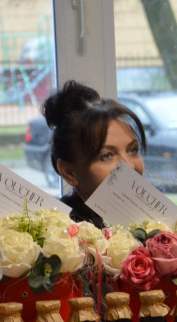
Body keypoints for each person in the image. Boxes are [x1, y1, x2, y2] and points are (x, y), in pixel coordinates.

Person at [42, 80, 147, 227]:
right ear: (69, 172)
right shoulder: (62, 238)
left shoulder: (152, 223)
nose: (129, 165)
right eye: (107, 156)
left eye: (133, 150)